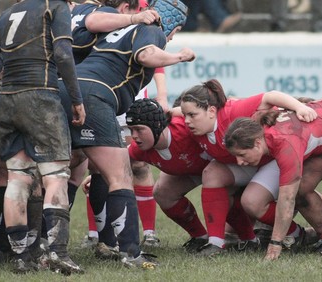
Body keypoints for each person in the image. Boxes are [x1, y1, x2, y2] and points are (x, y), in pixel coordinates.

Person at [58, 0, 194, 269]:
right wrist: (180, 57)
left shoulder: (117, 28)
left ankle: (41, 246)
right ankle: (131, 252)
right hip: (95, 95)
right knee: (120, 175)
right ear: (175, 28)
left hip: (66, 89)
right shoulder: (152, 28)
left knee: (66, 171)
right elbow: (145, 56)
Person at [0, 0, 86, 275]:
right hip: (39, 96)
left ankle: (21, 256)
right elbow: (63, 54)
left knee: (18, 177)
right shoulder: (54, 7)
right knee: (55, 174)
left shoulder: (8, 13)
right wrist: (77, 100)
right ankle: (59, 253)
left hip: (7, 102)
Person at [178, 78, 317, 256]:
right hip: (248, 162)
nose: (186, 121)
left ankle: (305, 234)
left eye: (192, 115)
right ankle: (215, 243)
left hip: (274, 158)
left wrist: (299, 107)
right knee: (212, 174)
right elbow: (177, 113)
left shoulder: (233, 111)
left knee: (252, 202)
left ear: (212, 111)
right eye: (184, 115)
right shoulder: (195, 122)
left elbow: (271, 96)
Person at [224, 98, 322, 260]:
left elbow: (287, 200)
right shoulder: (257, 128)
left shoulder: (284, 142)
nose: (240, 162)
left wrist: (275, 243)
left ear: (257, 143)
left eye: (241, 155)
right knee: (300, 188)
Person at [126, 98, 260, 253]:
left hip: (228, 168)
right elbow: (116, 164)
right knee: (162, 192)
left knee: (227, 195)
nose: (134, 136)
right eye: (131, 130)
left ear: (157, 125)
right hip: (198, 171)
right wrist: (98, 176)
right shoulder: (138, 149)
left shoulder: (187, 128)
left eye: (139, 129)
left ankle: (251, 239)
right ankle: (200, 237)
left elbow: (221, 119)